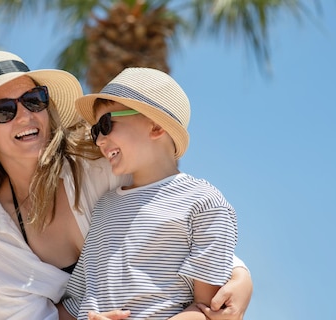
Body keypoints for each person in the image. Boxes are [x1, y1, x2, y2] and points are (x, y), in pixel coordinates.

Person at [0, 50, 253, 320]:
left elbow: (176, 224)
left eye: (34, 100)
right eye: (3, 110)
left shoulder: (100, 164)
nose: (24, 116)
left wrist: (240, 276)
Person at [61, 67, 240, 320]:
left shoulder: (204, 203)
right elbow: (78, 301)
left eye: (106, 124)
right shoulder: (104, 205)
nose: (99, 140)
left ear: (155, 126)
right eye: (95, 131)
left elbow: (208, 310)